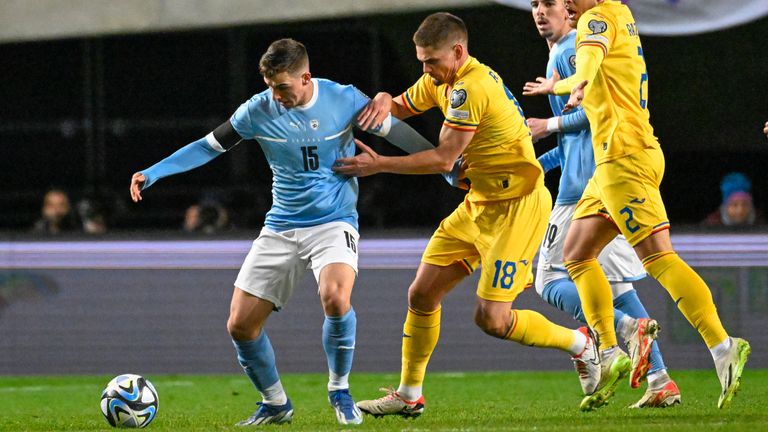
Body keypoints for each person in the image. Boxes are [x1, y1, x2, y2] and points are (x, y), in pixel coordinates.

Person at [129, 38, 440, 426]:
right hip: (281, 225)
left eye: (282, 87)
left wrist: (446, 165)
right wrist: (154, 171)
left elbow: (397, 133)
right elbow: (208, 146)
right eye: (268, 86)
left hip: (333, 221)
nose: (275, 95)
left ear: (305, 77)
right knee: (240, 325)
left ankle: (339, 390)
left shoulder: (343, 99)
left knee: (335, 297)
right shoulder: (258, 109)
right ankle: (275, 403)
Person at [335, 12, 598, 418]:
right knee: (422, 294)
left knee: (492, 319)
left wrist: (379, 165)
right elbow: (404, 106)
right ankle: (409, 395)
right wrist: (387, 98)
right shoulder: (444, 78)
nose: (425, 69)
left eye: (431, 61)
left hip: (517, 208)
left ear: (458, 52)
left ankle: (582, 344)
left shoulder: (469, 89)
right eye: (421, 60)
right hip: (480, 203)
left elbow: (443, 158)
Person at [522, 0, 750, 410]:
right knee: (577, 255)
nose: (566, 3)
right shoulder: (622, 13)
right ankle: (611, 350)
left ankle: (722, 345)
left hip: (624, 159)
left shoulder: (594, 20)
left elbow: (589, 64)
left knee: (659, 259)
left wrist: (566, 86)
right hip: (613, 163)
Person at [527, 0, 679, 408]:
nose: (542, 11)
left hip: (586, 188)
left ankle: (622, 333)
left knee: (546, 280)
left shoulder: (573, 48)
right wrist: (537, 166)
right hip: (601, 178)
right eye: (535, 4)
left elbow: (591, 115)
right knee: (616, 285)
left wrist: (549, 125)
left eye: (551, 3)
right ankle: (660, 380)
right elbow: (572, 141)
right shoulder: (566, 48)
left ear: (569, 8)